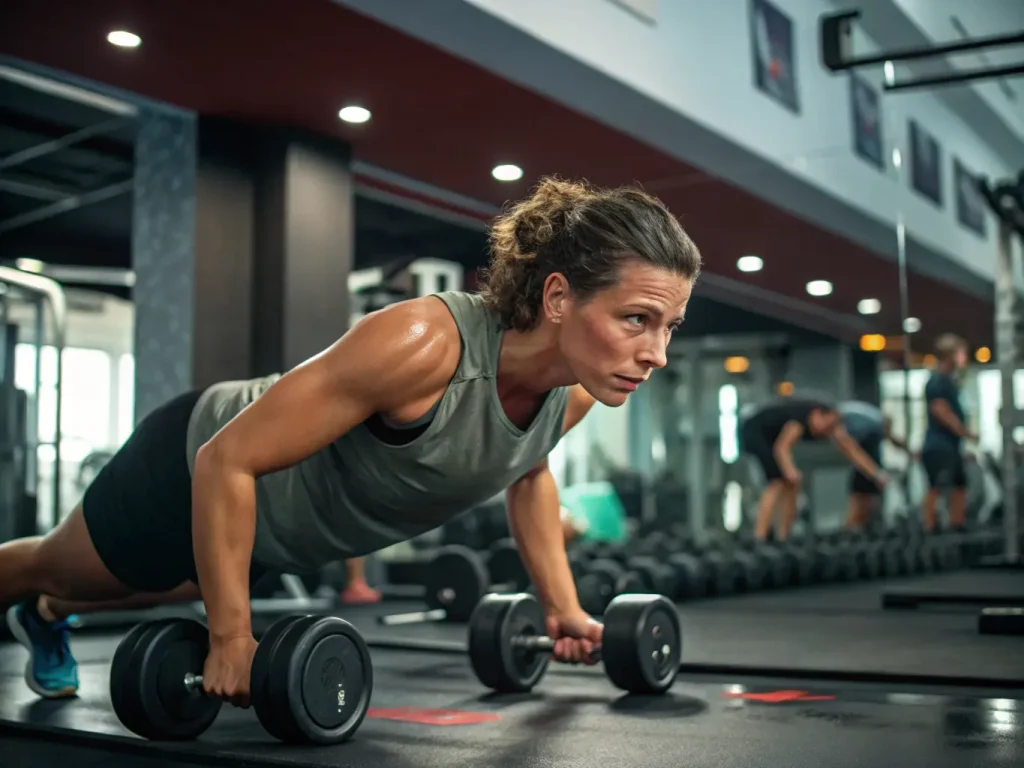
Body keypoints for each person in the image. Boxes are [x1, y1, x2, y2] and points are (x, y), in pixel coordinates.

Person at [1, 176, 701, 703]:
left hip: (274, 535)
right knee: (53, 566)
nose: (657, 352)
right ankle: (46, 596)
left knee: (137, 591)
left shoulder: (573, 392)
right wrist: (230, 638)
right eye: (636, 319)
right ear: (557, 299)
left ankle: (48, 617)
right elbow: (229, 458)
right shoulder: (424, 345)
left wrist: (561, 606)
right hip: (194, 467)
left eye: (669, 327)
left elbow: (529, 473)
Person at [740, 393, 889, 542]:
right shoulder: (799, 420)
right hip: (755, 433)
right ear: (817, 414)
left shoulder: (831, 425)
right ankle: (759, 536)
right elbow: (782, 448)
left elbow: (851, 450)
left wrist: (876, 474)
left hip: (771, 439)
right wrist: (790, 471)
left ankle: (783, 537)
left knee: (791, 483)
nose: (827, 432)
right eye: (828, 426)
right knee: (777, 482)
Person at [921, 334, 976, 533]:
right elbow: (940, 410)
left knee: (959, 484)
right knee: (937, 486)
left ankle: (957, 524)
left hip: (951, 446)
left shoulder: (949, 382)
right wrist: (964, 432)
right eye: (961, 353)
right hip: (939, 446)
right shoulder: (938, 381)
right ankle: (930, 527)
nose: (964, 358)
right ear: (951, 355)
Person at [837, 400, 911, 533]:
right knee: (859, 501)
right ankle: (850, 532)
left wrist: (909, 450)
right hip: (866, 466)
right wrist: (876, 474)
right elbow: (852, 449)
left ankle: (856, 530)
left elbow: (892, 439)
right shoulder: (869, 427)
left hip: (869, 465)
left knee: (864, 501)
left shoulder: (873, 423)